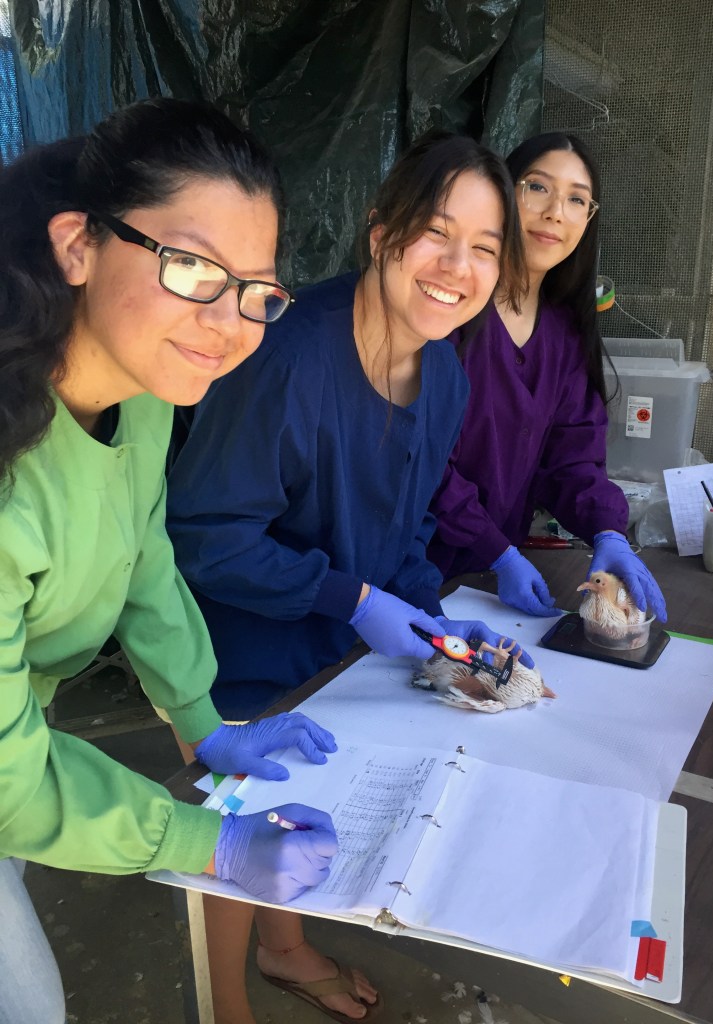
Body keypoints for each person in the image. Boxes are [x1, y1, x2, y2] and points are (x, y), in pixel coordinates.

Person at [166, 131, 531, 1022]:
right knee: (236, 837)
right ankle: (225, 1009)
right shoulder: (287, 355)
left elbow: (406, 531)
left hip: (335, 647)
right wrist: (355, 598)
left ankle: (284, 952)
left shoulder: (442, 372)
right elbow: (205, 537)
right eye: (437, 234)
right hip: (229, 650)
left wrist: (441, 623)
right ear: (380, 234)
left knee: (307, 824)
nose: (457, 266)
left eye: (485, 249)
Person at [0, 97, 341, 1024]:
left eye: (257, 291)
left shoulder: (142, 396)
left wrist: (202, 719)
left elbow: (143, 556)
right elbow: (10, 779)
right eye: (191, 266)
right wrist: (208, 842)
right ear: (78, 246)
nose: (229, 323)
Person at [427, 131, 667, 623]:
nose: (556, 211)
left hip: (489, 587)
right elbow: (422, 462)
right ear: (502, 193)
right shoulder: (448, 310)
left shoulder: (564, 333)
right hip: (410, 572)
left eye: (576, 199)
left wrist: (607, 532)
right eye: (538, 187)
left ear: (589, 219)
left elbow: (573, 458)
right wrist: (495, 549)